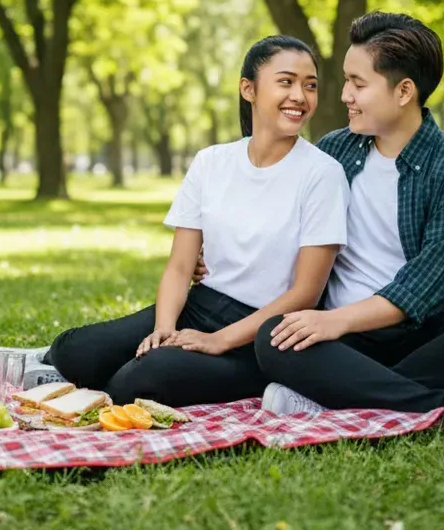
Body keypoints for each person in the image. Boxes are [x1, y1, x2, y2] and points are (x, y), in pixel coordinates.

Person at [199, 12, 444, 430]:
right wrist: (210, 249)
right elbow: (277, 222)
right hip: (345, 342)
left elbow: (427, 284)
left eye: (358, 84)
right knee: (275, 337)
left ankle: (334, 399)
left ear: (404, 91)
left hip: (425, 331)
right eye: (345, 81)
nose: (345, 95)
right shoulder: (333, 152)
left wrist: (334, 321)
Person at [29, 36, 350, 407]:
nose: (300, 96)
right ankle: (84, 369)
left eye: (310, 86)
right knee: (74, 351)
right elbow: (181, 266)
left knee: (137, 381)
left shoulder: (322, 174)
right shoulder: (211, 163)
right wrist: (164, 328)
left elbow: (305, 293)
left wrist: (219, 340)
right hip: (199, 306)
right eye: (286, 82)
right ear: (248, 89)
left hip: (264, 334)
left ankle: (129, 378)